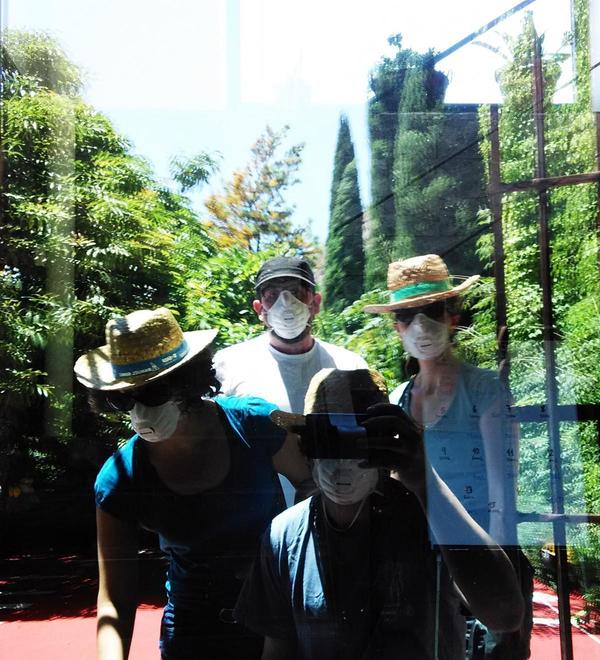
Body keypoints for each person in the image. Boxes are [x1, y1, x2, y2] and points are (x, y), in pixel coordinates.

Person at [234, 368, 525, 660]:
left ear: (387, 442)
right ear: (305, 447)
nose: (343, 455)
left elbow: (504, 614)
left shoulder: (431, 516)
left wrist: (424, 479)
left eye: (359, 438)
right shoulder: (284, 536)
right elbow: (278, 650)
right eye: (328, 437)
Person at [73, 307, 311, 660]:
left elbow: (312, 485)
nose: (139, 411)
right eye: (123, 398)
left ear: (187, 380)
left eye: (153, 392)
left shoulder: (254, 424)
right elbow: (115, 599)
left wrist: (294, 559)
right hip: (191, 634)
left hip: (276, 623)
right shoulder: (120, 477)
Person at [364, 254, 531, 658]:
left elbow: (502, 495)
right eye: (408, 315)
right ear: (397, 327)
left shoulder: (486, 390)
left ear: (452, 316)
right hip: (420, 566)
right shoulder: (398, 398)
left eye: (432, 311)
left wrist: (488, 576)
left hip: (481, 555)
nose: (420, 325)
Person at [214, 255, 368, 504]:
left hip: (336, 512)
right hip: (260, 517)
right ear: (259, 309)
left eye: (296, 292)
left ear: (315, 303)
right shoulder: (228, 365)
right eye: (272, 295)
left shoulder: (350, 366)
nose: (285, 303)